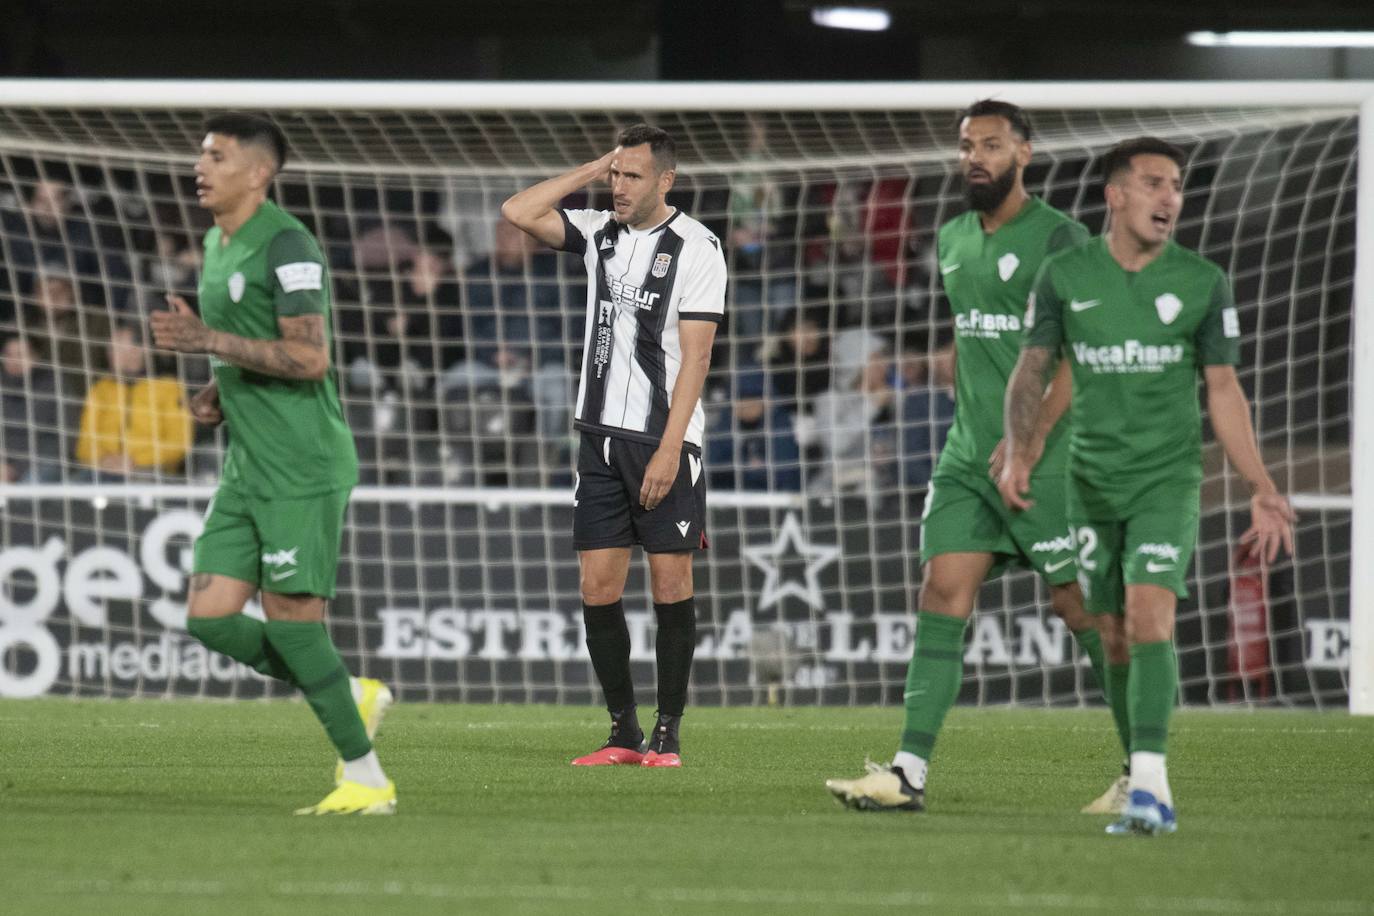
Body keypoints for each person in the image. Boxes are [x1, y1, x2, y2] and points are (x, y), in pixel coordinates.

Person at [826, 99, 1125, 815]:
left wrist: (1027, 440)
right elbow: (979, 342)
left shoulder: (1061, 238)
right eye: (967, 146)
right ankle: (907, 773)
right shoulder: (955, 237)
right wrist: (921, 373)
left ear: (1025, 153)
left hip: (1047, 459)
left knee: (1077, 607)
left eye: (991, 145)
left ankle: (1140, 766)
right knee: (941, 589)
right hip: (967, 456)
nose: (975, 158)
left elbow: (1078, 358)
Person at [999, 137, 1295, 835]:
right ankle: (1142, 774)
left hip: (1167, 480)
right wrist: (1019, 450)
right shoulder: (1066, 275)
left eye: (1177, 186)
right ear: (1116, 195)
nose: (1170, 198)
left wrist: (1260, 483)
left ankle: (1151, 791)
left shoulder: (1202, 281)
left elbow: (1223, 388)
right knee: (1113, 634)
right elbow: (1033, 367)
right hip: (1090, 481)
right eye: (1155, 184)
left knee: (1150, 610)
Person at [149, 112, 396, 815]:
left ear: (258, 172)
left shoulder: (289, 245)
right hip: (247, 463)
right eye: (201, 153)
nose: (201, 165)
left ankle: (367, 781)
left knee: (292, 622)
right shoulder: (215, 240)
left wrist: (208, 342)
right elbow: (248, 342)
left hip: (301, 464)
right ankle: (347, 691)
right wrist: (216, 390)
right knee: (211, 616)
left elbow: (311, 357)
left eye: (217, 156)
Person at [502, 123, 726, 767]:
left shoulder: (697, 247)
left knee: (669, 584)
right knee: (597, 587)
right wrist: (594, 166)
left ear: (666, 180)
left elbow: (697, 357)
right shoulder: (600, 230)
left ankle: (668, 732)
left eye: (632, 175)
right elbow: (517, 211)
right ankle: (623, 732)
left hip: (662, 442)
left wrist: (669, 446)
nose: (618, 187)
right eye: (615, 175)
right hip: (596, 438)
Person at [75, 319, 192, 478]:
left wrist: (134, 461)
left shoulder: (169, 388)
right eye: (110, 348)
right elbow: (84, 443)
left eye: (118, 348)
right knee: (77, 483)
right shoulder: (100, 389)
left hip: (151, 470)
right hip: (102, 469)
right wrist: (104, 460)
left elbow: (179, 442)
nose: (111, 353)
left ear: (140, 350)